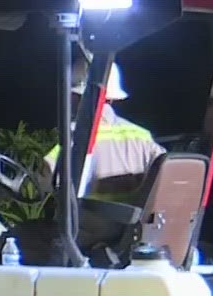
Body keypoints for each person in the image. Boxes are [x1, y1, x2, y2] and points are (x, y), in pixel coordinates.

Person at [39, 55, 165, 202]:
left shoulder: (74, 136)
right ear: (111, 98)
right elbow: (171, 171)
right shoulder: (142, 136)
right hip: (134, 223)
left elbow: (44, 180)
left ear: (79, 97)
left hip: (87, 222)